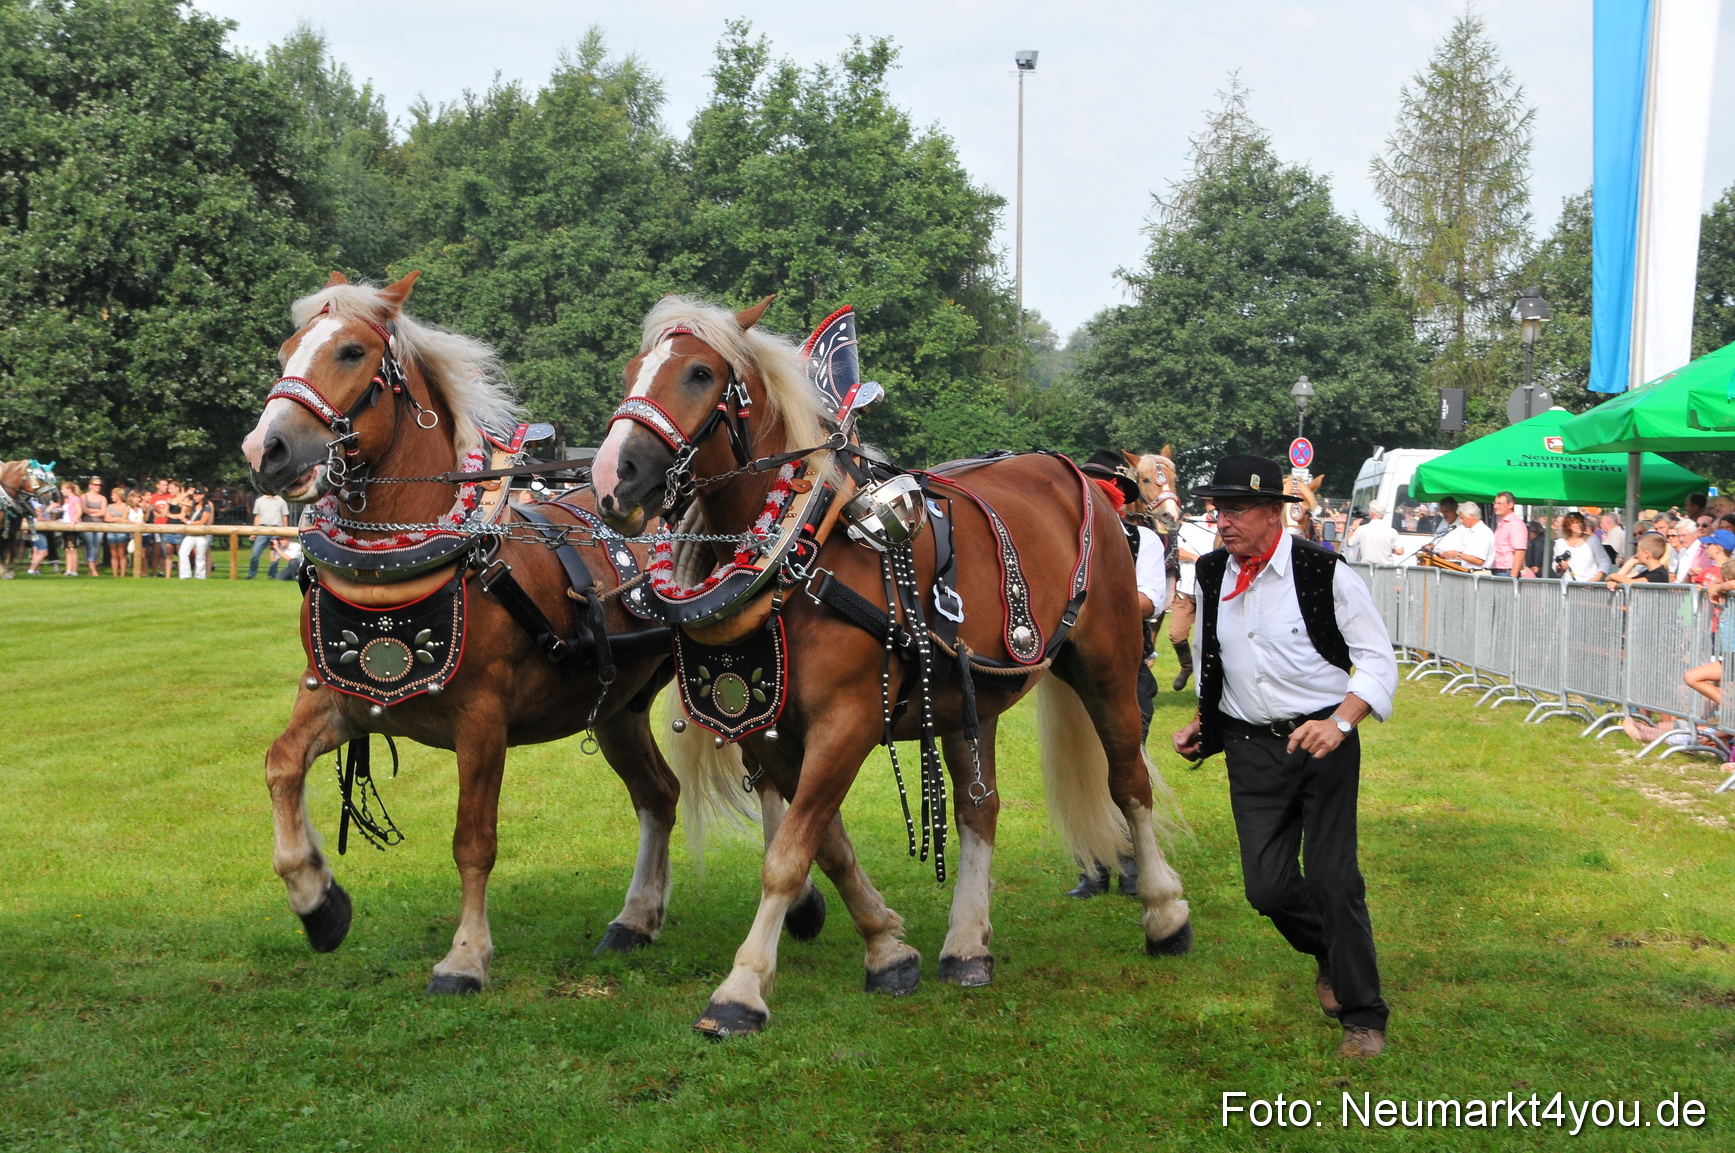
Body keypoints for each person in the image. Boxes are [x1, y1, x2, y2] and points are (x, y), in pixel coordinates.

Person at [1172, 454, 1399, 1059]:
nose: (1223, 521)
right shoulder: (1214, 571)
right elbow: (1217, 655)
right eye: (1219, 510)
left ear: (1276, 513)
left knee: (1333, 879)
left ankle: (1363, 1015)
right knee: (1266, 891)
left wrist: (1342, 723)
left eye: (1239, 509)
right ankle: (1332, 950)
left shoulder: (1324, 572)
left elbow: (1378, 659)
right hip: (1249, 749)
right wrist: (1204, 717)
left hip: (1322, 744)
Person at [1071, 450, 1169, 898]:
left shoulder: (1141, 540)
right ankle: (1092, 866)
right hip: (1072, 673)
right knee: (1077, 767)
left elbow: (1150, 598)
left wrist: (1087, 606)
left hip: (1127, 671)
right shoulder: (1064, 542)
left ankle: (1133, 862)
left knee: (1128, 760)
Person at [1168, 502, 1218, 692]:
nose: (1213, 506)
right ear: (1206, 504)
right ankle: (1187, 666)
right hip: (1187, 587)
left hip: (1212, 591)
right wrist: (1196, 558)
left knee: (1210, 640)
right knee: (1176, 634)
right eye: (1210, 502)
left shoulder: (1227, 525)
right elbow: (1177, 551)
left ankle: (1209, 683)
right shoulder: (1190, 524)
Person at [1553, 512, 1609, 582]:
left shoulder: (1593, 541)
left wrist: (1596, 578)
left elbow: (1605, 562)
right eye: (1576, 523)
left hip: (1590, 586)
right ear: (1568, 525)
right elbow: (1555, 567)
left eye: (1581, 522)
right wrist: (1561, 568)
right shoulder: (1559, 543)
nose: (1579, 525)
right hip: (1568, 586)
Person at [1437, 500, 1494, 569]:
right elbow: (1465, 554)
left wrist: (1456, 554)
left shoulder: (1483, 532)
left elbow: (1479, 561)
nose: (1461, 521)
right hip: (1467, 572)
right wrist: (1447, 555)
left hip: (1479, 574)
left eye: (1462, 518)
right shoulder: (1469, 532)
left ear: (1472, 516)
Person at [249, 488, 291, 578]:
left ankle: (272, 574)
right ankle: (251, 574)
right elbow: (257, 517)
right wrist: (254, 532)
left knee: (275, 554)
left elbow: (284, 517)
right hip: (262, 529)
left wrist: (285, 532)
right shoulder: (259, 501)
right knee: (255, 553)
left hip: (276, 529)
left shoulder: (282, 501)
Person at [1605, 533, 1672, 589]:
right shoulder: (1646, 572)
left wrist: (1612, 575)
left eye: (1638, 551)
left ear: (1647, 554)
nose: (1637, 555)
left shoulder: (1660, 574)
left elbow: (1632, 583)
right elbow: (1621, 578)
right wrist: (1631, 562)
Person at [178, 486, 214, 579]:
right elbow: (178, 502)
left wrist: (188, 522)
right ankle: (185, 575)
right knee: (183, 552)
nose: (195, 497)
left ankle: (200, 575)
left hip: (202, 535)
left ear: (202, 495)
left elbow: (203, 521)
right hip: (191, 534)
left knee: (200, 555)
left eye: (197, 495)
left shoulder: (207, 507)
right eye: (194, 495)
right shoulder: (193, 504)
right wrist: (187, 493)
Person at [1491, 493, 1527, 578]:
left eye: (1499, 503)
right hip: (1498, 570)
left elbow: (1520, 551)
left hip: (1506, 571)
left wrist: (1513, 577)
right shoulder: (1501, 523)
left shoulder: (1515, 524)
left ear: (1510, 505)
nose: (1495, 506)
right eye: (1495, 503)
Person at [79, 477, 107, 576]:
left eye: (99, 485)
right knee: (89, 546)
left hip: (99, 525)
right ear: (90, 485)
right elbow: (84, 509)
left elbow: (103, 512)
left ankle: (91, 568)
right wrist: (96, 511)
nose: (98, 487)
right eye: (95, 484)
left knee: (97, 546)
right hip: (87, 524)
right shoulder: (84, 496)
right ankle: (93, 570)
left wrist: (92, 512)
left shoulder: (103, 498)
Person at [103, 483, 131, 577]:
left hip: (122, 532)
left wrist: (115, 519)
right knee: (113, 554)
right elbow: (107, 518)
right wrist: (116, 519)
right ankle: (115, 574)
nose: (112, 497)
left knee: (122, 553)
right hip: (111, 532)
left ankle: (122, 574)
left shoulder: (126, 507)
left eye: (113, 495)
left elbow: (123, 519)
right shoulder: (110, 506)